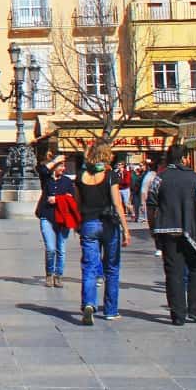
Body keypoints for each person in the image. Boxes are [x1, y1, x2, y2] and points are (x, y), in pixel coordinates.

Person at [151, 145, 196, 325]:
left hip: (167, 230)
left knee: (173, 272)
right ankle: (195, 310)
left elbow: (151, 204)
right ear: (185, 158)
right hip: (192, 230)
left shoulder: (160, 178)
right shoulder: (195, 178)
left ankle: (177, 315)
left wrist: (152, 227)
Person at [74, 139, 129, 324]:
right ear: (106, 154)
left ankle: (89, 303)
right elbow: (117, 203)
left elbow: (78, 202)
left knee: (89, 267)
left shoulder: (81, 175)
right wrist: (126, 229)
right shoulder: (111, 175)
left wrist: (78, 223)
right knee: (112, 268)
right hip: (109, 224)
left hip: (88, 224)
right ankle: (111, 310)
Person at [36, 152, 75, 287]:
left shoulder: (67, 182)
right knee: (50, 248)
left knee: (61, 249)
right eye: (60, 166)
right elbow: (42, 170)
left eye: (64, 166)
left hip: (63, 219)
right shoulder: (47, 179)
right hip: (47, 216)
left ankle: (58, 275)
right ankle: (49, 273)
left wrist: (58, 199)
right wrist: (55, 160)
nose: (63, 169)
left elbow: (72, 199)